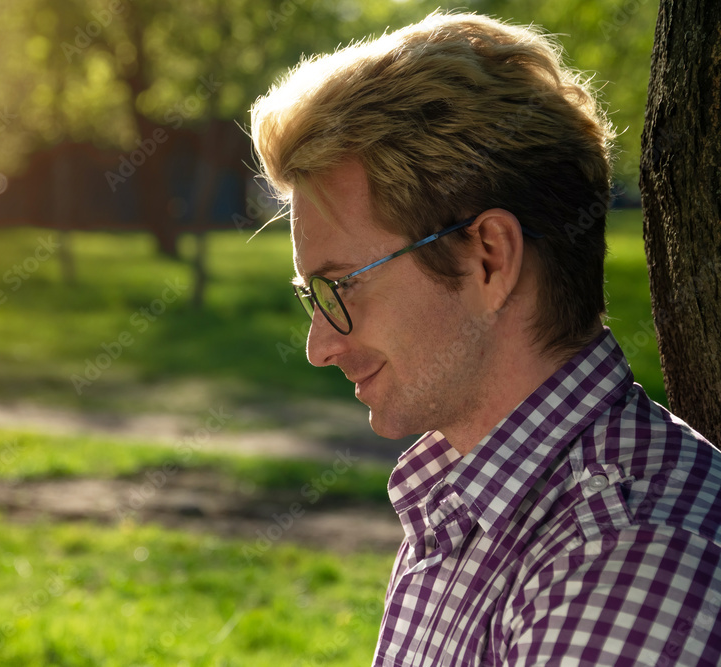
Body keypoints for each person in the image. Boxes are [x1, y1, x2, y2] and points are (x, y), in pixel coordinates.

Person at [249, 11, 721, 666]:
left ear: (489, 259)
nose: (319, 346)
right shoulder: (464, 493)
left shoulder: (625, 562)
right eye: (313, 295)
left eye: (342, 286)